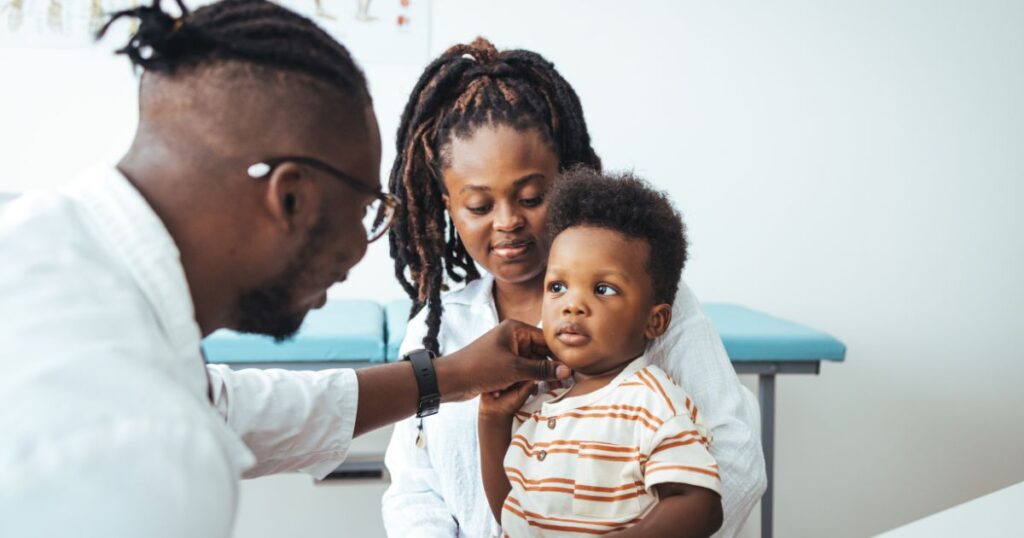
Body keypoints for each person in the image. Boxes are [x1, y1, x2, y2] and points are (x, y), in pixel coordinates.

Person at [0, 2, 568, 536]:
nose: (359, 248)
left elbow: (227, 406)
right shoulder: (153, 443)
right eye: (365, 211)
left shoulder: (40, 249)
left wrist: (446, 377)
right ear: (290, 197)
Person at [383, 38, 766, 537]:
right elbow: (414, 491)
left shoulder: (639, 304)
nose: (508, 223)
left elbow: (733, 457)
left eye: (531, 196)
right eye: (479, 206)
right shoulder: (437, 332)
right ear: (448, 206)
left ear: (566, 180)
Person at [478, 169, 722, 537]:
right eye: (558, 286)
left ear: (655, 321)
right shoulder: (538, 402)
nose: (573, 305)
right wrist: (492, 421)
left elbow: (700, 504)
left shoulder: (651, 402)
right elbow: (510, 513)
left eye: (604, 289)